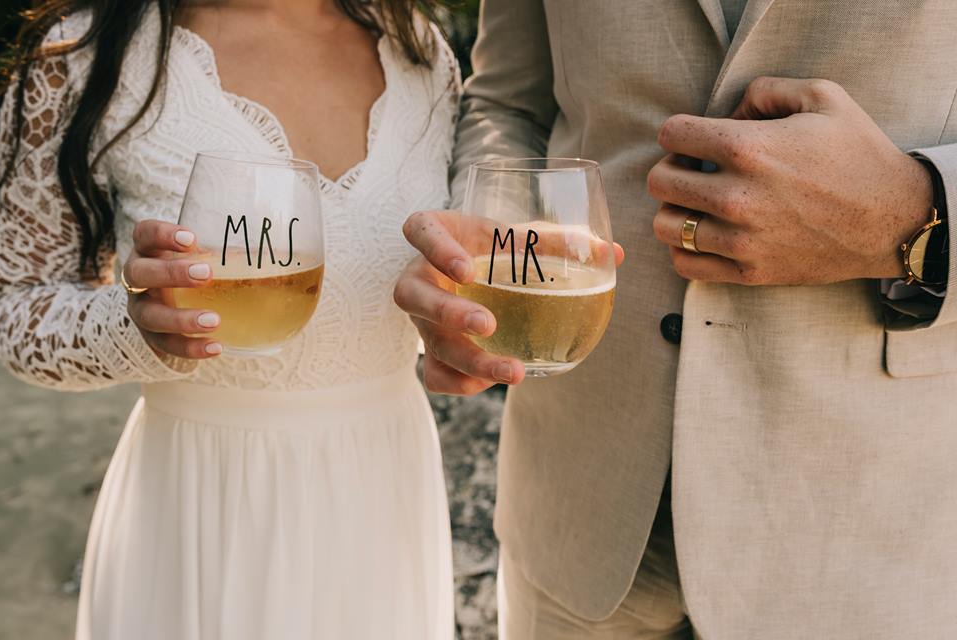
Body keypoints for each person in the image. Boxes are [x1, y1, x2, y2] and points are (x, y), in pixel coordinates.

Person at [394, 1, 957, 638]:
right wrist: (484, 253)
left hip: (874, 532)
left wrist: (909, 217)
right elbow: (508, 105)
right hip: (578, 508)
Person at [0, 0, 458, 637]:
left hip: (383, 493)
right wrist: (135, 325)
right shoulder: (85, 55)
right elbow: (14, 306)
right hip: (201, 499)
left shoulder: (419, 49)